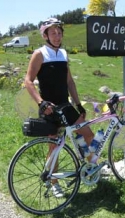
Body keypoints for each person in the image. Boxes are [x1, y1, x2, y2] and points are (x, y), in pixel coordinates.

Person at [24, 18, 94, 197]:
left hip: (65, 105)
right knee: (53, 147)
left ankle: (91, 167)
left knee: (88, 134)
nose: (57, 36)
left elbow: (69, 81)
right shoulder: (39, 54)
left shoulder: (63, 53)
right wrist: (41, 102)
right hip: (48, 108)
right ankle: (54, 183)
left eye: (59, 32)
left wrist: (78, 104)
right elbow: (28, 81)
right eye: (53, 33)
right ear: (45, 35)